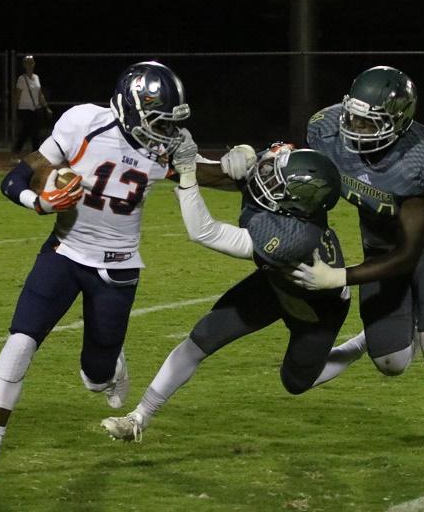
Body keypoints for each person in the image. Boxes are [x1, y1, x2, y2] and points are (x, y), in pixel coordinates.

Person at [0, 60, 219, 481]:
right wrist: (40, 202)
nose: (164, 131)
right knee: (20, 342)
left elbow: (209, 174)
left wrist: (247, 165)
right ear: (129, 108)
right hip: (64, 252)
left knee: (96, 378)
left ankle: (110, 366)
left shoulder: (164, 148)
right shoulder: (84, 123)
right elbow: (17, 178)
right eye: (157, 120)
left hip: (117, 269)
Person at [222, 66, 424, 455]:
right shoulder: (328, 130)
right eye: (353, 116)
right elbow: (288, 167)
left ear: (398, 122)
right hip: (379, 245)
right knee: (392, 362)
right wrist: (244, 158)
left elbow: (409, 254)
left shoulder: (421, 161)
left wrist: (337, 277)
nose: (355, 127)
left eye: (368, 121)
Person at [100, 142, 354, 442]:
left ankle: (364, 342)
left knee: (295, 382)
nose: (265, 179)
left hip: (316, 309)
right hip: (274, 285)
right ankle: (138, 417)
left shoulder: (293, 238)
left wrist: (187, 176)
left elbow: (204, 231)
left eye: (275, 182)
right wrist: (241, 154)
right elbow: (258, 162)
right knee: (201, 339)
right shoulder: (294, 200)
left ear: (298, 203)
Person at [12, 54, 53, 159]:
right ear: (24, 65)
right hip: (24, 109)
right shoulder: (21, 79)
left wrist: (46, 107)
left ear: (34, 64)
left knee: (31, 132)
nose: (29, 65)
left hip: (36, 109)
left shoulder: (36, 77)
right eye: (27, 63)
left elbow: (40, 94)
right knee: (29, 132)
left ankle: (23, 153)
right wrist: (14, 109)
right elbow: (17, 95)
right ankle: (30, 154)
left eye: (31, 62)